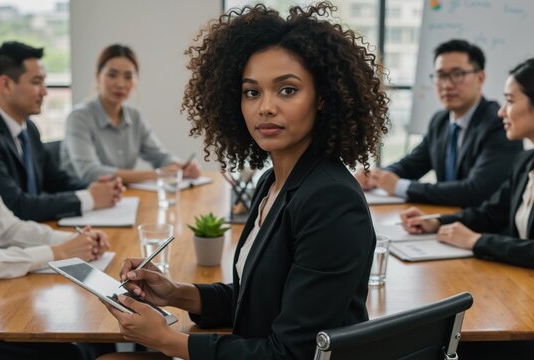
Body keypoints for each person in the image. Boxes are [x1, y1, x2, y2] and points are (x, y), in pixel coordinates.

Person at [99, 2, 388, 359]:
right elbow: (258, 298)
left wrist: (167, 341)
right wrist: (174, 292)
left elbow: (291, 354)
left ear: (324, 99)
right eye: (252, 92)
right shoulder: (274, 182)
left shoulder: (331, 200)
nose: (265, 107)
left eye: (287, 90)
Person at [402, 56, 534, 359]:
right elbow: (489, 212)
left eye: (510, 100)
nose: (500, 111)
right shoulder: (526, 161)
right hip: (527, 294)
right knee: (443, 332)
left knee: (455, 343)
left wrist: (476, 241)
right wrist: (437, 221)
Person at [0, 41, 110, 360]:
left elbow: (5, 228)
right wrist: (53, 252)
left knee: (89, 337)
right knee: (69, 353)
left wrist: (75, 241)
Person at [0, 41, 124, 222]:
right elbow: (15, 206)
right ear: (6, 85)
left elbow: (55, 181)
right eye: (36, 82)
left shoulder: (29, 128)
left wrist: (96, 187)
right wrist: (90, 198)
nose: (45, 92)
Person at [356, 39, 523, 207]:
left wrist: (399, 186)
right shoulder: (440, 121)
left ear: (480, 78)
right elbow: (411, 165)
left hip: (483, 228)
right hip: (445, 221)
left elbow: (475, 191)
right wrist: (376, 176)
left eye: (457, 74)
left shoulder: (499, 123)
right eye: (441, 75)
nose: (447, 84)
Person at [59, 44, 201, 184]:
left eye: (128, 77)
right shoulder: (78, 117)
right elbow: (90, 172)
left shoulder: (134, 117)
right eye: (112, 75)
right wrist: (157, 174)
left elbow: (160, 156)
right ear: (98, 76)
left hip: (120, 199)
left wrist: (182, 166)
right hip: (83, 199)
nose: (120, 84)